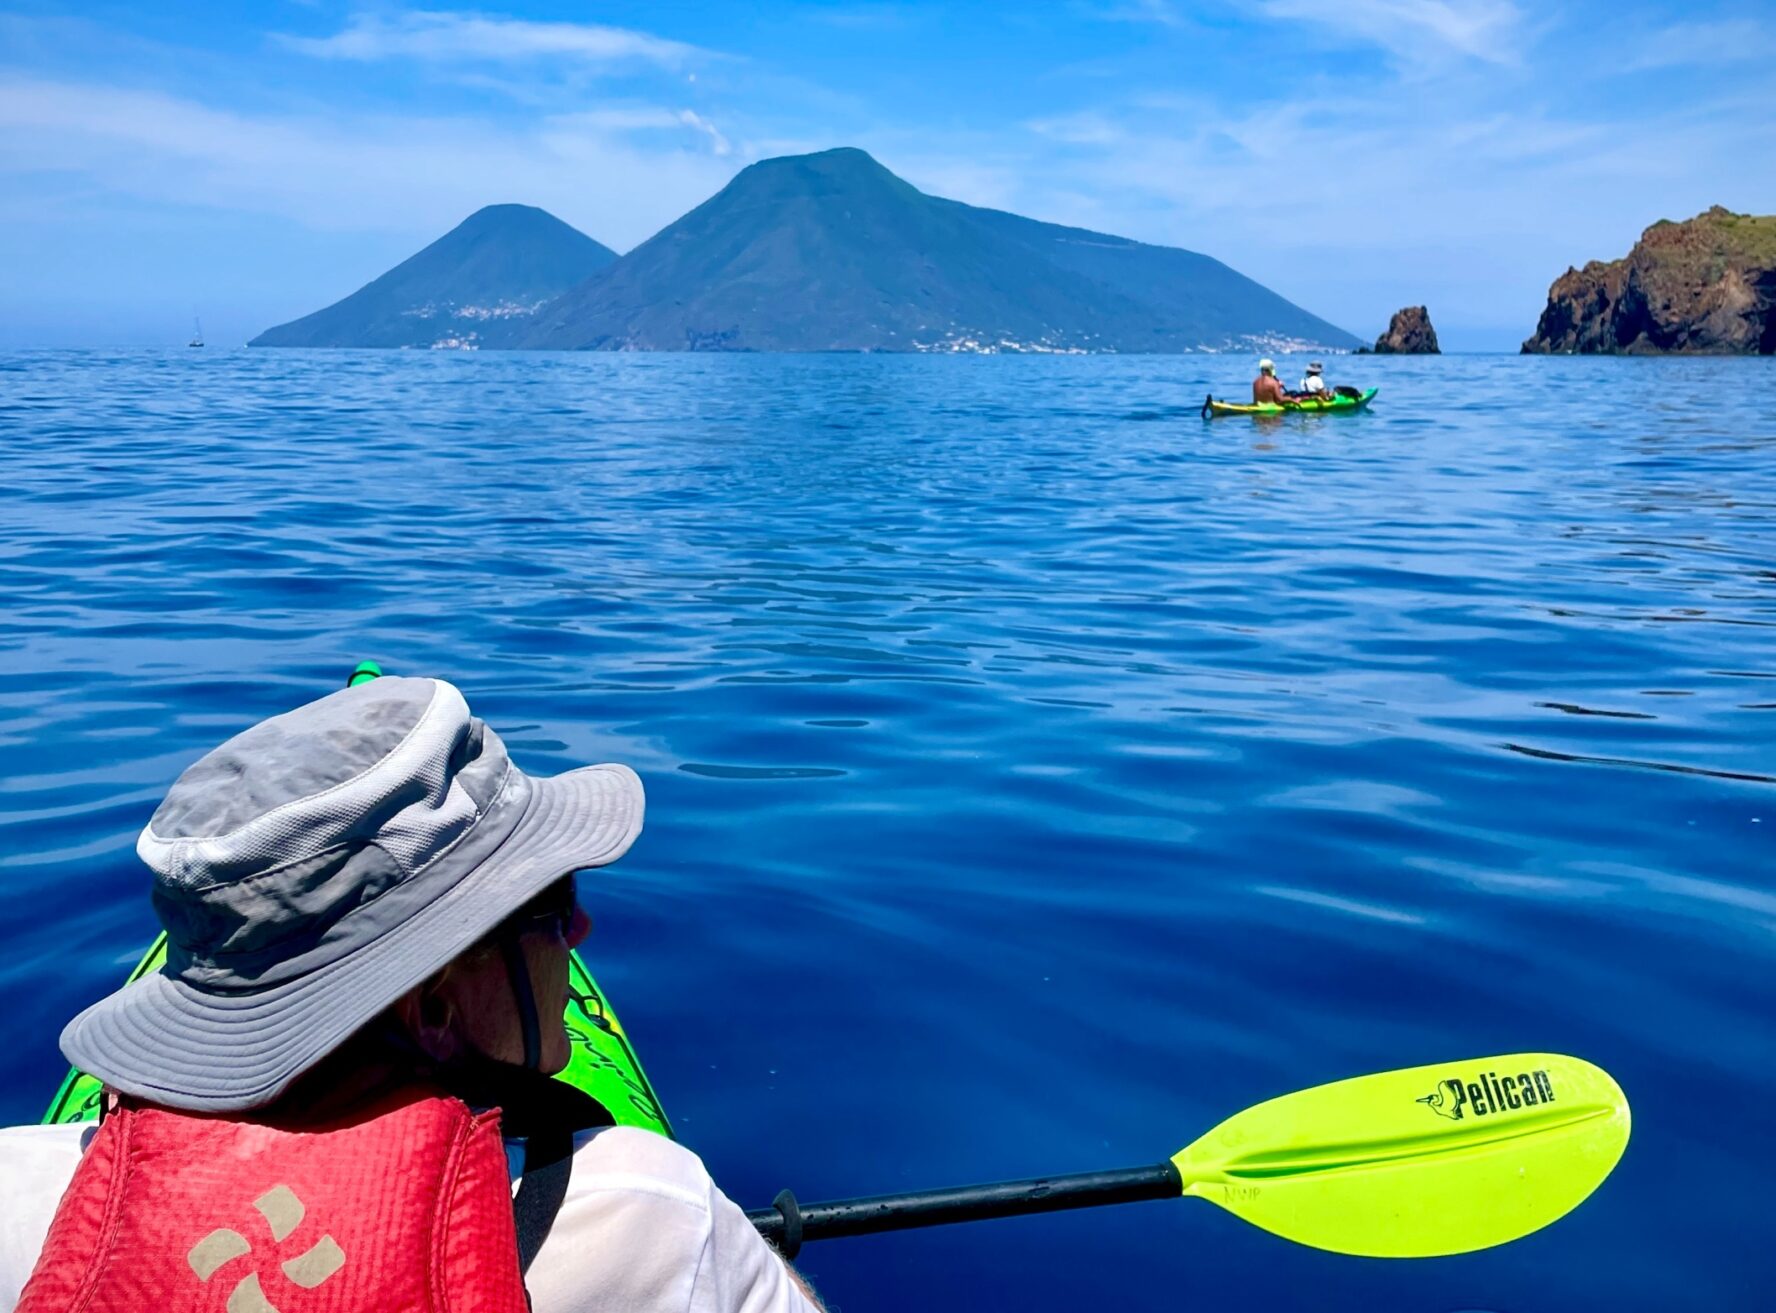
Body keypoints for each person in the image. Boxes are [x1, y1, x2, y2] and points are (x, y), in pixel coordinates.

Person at [0, 676, 823, 1313]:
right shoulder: (646, 1213)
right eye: (553, 901)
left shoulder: (17, 1194)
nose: (581, 934)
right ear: (430, 1009)